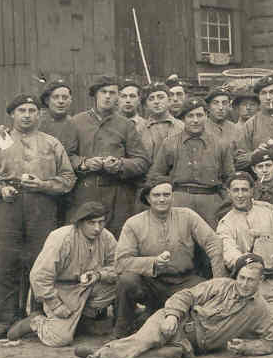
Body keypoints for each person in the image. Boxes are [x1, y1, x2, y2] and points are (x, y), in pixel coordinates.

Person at [60, 253, 273, 358]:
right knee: (140, 343)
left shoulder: (260, 309)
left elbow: (272, 341)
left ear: (260, 280)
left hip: (184, 347)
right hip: (174, 321)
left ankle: (101, 352)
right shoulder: (220, 285)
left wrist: (247, 347)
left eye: (251, 280)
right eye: (241, 277)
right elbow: (186, 295)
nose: (244, 283)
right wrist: (173, 315)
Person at [0, 94, 77, 340]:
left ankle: (37, 317)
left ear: (39, 114)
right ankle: (6, 320)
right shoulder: (1, 142)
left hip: (42, 208)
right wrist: (1, 189)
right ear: (12, 114)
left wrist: (43, 185)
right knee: (7, 263)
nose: (28, 115)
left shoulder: (51, 143)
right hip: (9, 207)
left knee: (41, 263)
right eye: (22, 110)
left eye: (32, 110)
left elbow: (68, 179)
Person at [113, 177, 226, 338]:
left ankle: (175, 327)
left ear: (172, 196)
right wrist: (152, 263)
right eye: (156, 195)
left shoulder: (187, 216)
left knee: (208, 302)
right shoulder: (134, 224)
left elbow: (213, 242)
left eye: (166, 194)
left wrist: (218, 281)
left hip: (184, 281)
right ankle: (122, 331)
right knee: (127, 281)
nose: (162, 199)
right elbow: (121, 262)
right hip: (151, 284)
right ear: (147, 198)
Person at [6, 202, 117, 346]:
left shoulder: (106, 236)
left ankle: (90, 322)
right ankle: (35, 322)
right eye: (91, 223)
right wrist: (56, 305)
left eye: (101, 222)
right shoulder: (62, 237)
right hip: (64, 290)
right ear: (80, 223)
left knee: (123, 282)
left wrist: (99, 275)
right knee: (60, 339)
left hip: (91, 286)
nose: (97, 228)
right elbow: (39, 276)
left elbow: (118, 266)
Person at [68, 75, 150, 238]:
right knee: (81, 239)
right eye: (103, 92)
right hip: (85, 192)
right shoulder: (77, 122)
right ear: (95, 95)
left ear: (117, 97)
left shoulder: (125, 125)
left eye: (112, 93)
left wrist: (120, 164)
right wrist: (84, 163)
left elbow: (142, 161)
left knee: (115, 241)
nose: (107, 96)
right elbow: (66, 156)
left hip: (117, 195)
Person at [217, 172, 273, 337]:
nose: (240, 195)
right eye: (235, 190)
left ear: (252, 190)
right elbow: (230, 255)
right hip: (247, 288)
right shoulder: (225, 224)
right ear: (228, 193)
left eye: (244, 190)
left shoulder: (269, 214)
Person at [149, 97, 234, 229]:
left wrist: (224, 203)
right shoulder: (169, 143)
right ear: (183, 119)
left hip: (211, 201)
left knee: (211, 242)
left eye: (199, 115)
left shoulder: (221, 144)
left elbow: (229, 177)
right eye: (190, 116)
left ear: (206, 116)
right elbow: (155, 175)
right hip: (179, 199)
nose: (195, 120)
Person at [139, 82, 184, 165]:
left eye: (161, 97)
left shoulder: (182, 127)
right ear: (145, 105)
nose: (156, 102)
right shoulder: (140, 129)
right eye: (151, 98)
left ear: (169, 100)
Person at [38, 79, 77, 156]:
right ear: (47, 100)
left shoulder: (75, 124)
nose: (61, 101)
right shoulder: (35, 121)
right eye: (56, 97)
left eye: (65, 97)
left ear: (70, 101)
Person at [203, 87, 242, 157]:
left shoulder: (235, 129)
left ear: (229, 106)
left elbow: (240, 154)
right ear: (208, 107)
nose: (221, 107)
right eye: (215, 103)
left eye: (224, 103)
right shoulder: (201, 128)